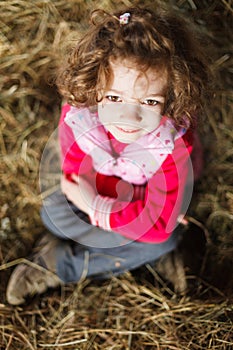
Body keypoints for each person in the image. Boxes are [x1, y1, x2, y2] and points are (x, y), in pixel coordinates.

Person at [6, 4, 210, 305]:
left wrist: (93, 204)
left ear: (171, 99)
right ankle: (143, 258)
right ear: (95, 88)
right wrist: (129, 218)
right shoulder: (79, 119)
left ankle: (60, 265)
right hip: (120, 203)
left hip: (122, 201)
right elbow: (74, 174)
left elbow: (156, 224)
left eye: (150, 102)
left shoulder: (171, 143)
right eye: (114, 97)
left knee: (162, 239)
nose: (129, 117)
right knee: (52, 215)